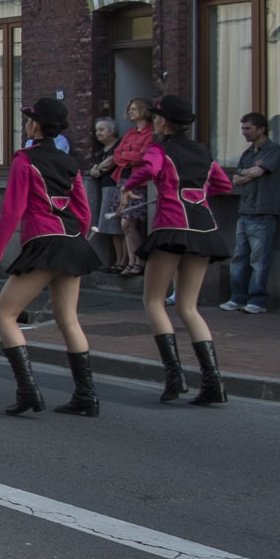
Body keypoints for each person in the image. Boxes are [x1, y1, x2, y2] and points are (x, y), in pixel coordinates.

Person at [0, 98, 104, 417]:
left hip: (44, 243)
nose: (27, 123)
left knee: (3, 315)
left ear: (36, 125)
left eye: (29, 119)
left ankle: (28, 390)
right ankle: (87, 395)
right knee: (68, 319)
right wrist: (77, 241)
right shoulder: (69, 162)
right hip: (73, 241)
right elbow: (83, 212)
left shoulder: (25, 160)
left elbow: (12, 211)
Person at [121, 94, 234, 406]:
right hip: (203, 229)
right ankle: (213, 382)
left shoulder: (160, 149)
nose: (155, 120)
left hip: (171, 226)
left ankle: (175, 376)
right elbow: (223, 185)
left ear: (164, 121)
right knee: (188, 307)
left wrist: (127, 187)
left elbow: (146, 170)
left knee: (153, 301)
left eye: (158, 116)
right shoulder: (202, 151)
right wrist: (194, 192)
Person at [222, 111, 280, 314]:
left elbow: (257, 172)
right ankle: (237, 297)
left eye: (248, 128)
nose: (244, 132)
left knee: (259, 259)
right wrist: (251, 172)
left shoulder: (273, 149)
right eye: (242, 128)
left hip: (264, 211)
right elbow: (236, 179)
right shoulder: (248, 154)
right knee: (239, 257)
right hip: (245, 209)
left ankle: (257, 301)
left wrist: (250, 172)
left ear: (261, 129)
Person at [110, 98, 154, 277]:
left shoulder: (149, 133)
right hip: (123, 180)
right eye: (129, 108)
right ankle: (131, 261)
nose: (131, 111)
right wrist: (129, 157)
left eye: (135, 108)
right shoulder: (130, 133)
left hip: (139, 182)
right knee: (125, 225)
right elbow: (116, 155)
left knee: (129, 222)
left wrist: (127, 158)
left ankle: (140, 261)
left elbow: (142, 157)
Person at [83, 117, 129, 273]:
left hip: (116, 187)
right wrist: (98, 169)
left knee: (117, 226)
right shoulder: (100, 152)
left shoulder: (118, 145)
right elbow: (95, 170)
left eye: (102, 129)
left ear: (112, 130)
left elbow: (111, 163)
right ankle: (117, 260)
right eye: (96, 130)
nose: (98, 133)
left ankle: (122, 261)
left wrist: (100, 168)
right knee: (111, 227)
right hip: (105, 187)